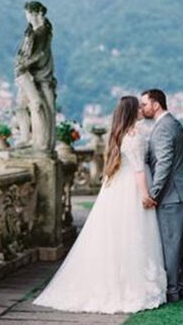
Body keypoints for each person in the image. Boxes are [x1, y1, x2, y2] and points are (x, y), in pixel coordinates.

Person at [33, 96, 166, 313]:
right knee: (134, 234)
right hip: (131, 190)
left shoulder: (119, 134)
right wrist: (145, 195)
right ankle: (130, 286)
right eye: (139, 107)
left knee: (115, 236)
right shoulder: (135, 136)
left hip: (116, 189)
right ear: (133, 111)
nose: (143, 109)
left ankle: (114, 282)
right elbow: (139, 170)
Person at [140, 89, 183, 303]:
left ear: (156, 105)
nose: (142, 108)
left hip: (172, 195)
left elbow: (163, 164)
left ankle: (172, 291)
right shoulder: (173, 123)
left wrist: (152, 194)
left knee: (172, 244)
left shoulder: (163, 128)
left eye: (144, 104)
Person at [15, 1, 56, 154]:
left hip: (30, 74)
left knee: (36, 105)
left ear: (37, 13)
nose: (27, 17)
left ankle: (38, 142)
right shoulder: (39, 30)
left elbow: (40, 54)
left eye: (28, 13)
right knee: (21, 106)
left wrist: (24, 64)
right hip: (28, 74)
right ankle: (28, 138)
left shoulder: (41, 32)